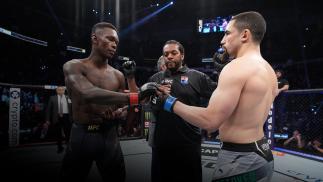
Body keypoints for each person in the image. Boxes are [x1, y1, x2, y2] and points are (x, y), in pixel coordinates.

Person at [154, 11, 276, 181]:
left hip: (240, 159)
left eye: (227, 33)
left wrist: (168, 102)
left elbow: (210, 121)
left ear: (245, 35)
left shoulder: (236, 67)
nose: (222, 40)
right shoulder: (269, 71)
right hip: (263, 154)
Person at [61, 22, 158, 182]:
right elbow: (87, 93)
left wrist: (120, 112)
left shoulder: (118, 75)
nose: (114, 45)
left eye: (116, 42)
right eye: (110, 39)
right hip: (82, 134)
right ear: (95, 38)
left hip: (109, 135)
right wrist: (135, 97)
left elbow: (124, 108)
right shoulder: (74, 66)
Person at [149, 40, 217, 182]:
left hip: (189, 144)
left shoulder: (197, 77)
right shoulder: (156, 79)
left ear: (182, 55)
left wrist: (224, 71)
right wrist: (154, 98)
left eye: (174, 53)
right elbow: (147, 104)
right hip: (162, 144)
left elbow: (220, 94)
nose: (169, 57)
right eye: (166, 54)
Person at [43, 86, 72, 153]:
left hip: (66, 117)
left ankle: (68, 147)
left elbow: (72, 108)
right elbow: (48, 110)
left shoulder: (68, 97)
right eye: (59, 90)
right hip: (56, 117)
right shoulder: (52, 98)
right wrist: (47, 120)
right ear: (57, 91)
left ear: (64, 90)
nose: (61, 91)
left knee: (68, 133)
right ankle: (60, 147)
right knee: (58, 134)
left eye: (62, 90)